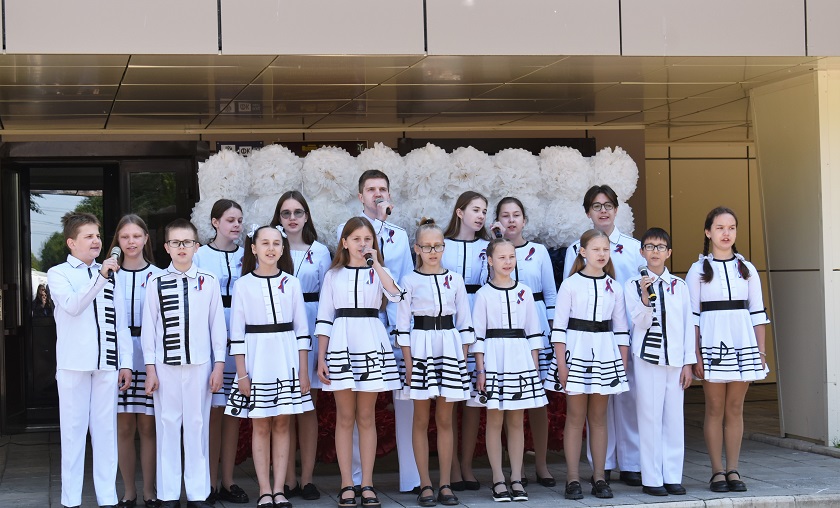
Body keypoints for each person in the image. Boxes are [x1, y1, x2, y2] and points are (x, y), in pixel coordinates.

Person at [337, 170, 419, 494]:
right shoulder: (348, 229)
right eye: (371, 189)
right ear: (361, 196)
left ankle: (411, 478)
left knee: (405, 401)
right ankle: (357, 478)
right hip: (360, 325)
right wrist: (377, 225)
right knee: (359, 406)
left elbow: (405, 283)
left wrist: (405, 328)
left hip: (393, 324)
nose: (377, 194)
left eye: (382, 188)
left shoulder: (399, 234)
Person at [317, 217, 405, 508]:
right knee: (345, 417)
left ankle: (367, 483)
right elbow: (324, 318)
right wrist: (321, 357)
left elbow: (396, 295)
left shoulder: (378, 271)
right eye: (356, 239)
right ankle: (346, 484)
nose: (362, 244)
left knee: (367, 417)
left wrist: (376, 264)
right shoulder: (333, 275)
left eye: (367, 239)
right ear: (344, 242)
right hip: (342, 342)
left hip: (370, 340)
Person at [47, 212, 132, 508]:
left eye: (97, 235)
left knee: (106, 433)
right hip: (73, 365)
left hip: (107, 364)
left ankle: (107, 499)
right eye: (88, 236)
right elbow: (73, 306)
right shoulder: (58, 273)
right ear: (72, 242)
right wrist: (100, 278)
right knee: (73, 435)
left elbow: (121, 322)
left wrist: (125, 362)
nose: (96, 240)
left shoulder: (111, 273)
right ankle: (71, 501)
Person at [225, 224, 314, 508]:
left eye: (276, 243)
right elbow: (236, 334)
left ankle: (279, 489)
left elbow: (302, 332)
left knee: (283, 423)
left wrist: (303, 371)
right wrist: (242, 374)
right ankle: (264, 489)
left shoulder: (292, 283)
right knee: (261, 425)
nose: (271, 248)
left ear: (283, 248)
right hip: (257, 359)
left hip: (286, 358)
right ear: (253, 248)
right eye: (265, 243)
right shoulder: (242, 285)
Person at [562, 185, 645, 486]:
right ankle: (602, 465)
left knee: (628, 401)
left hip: (623, 336)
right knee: (595, 408)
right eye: (596, 206)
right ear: (588, 212)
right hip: (586, 339)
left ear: (617, 209)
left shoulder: (634, 247)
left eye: (608, 205)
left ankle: (631, 462)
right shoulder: (576, 248)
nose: (603, 211)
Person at [141, 218, 227, 508]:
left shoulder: (209, 281)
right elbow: (149, 328)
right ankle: (167, 494)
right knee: (167, 427)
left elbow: (218, 326)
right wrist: (150, 370)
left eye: (187, 242)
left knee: (197, 427)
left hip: (200, 366)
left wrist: (218, 365)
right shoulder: (156, 282)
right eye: (175, 242)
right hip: (164, 367)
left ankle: (197, 493)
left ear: (196, 246)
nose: (181, 247)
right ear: (166, 247)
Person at [687, 207, 769, 493]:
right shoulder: (698, 270)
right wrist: (695, 354)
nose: (726, 233)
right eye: (720, 227)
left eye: (731, 228)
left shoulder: (747, 269)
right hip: (711, 344)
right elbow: (692, 316)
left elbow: (757, 313)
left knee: (735, 408)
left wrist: (760, 352)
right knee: (715, 408)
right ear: (708, 232)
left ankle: (733, 469)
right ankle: (716, 472)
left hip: (742, 344)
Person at [395, 218, 474, 507]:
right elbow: (402, 327)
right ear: (417, 248)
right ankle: (425, 484)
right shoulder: (408, 281)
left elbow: (465, 322)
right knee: (420, 419)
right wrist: (409, 366)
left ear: (444, 247)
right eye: (426, 247)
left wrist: (461, 359)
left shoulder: (455, 279)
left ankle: (445, 484)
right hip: (421, 347)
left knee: (444, 420)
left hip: (449, 347)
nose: (432, 252)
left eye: (438, 246)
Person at [548, 229, 629, 501]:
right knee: (575, 417)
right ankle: (572, 478)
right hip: (576, 352)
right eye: (596, 249)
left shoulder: (615, 287)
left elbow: (621, 330)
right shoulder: (570, 284)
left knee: (599, 419)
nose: (602, 254)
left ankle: (599, 477)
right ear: (583, 252)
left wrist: (621, 366)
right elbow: (559, 329)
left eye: (605, 249)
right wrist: (562, 365)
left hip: (605, 354)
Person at [471, 238, 547, 503]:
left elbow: (534, 333)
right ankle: (497, 479)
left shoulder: (525, 291)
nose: (507, 262)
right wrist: (480, 370)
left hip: (520, 358)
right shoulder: (483, 294)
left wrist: (533, 369)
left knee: (516, 421)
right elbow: (478, 335)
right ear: (490, 261)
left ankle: (516, 477)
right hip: (494, 358)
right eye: (501, 257)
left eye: (511, 257)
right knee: (494, 420)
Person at [624, 228, 695, 496]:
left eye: (661, 247)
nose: (655, 251)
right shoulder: (632, 285)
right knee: (649, 417)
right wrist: (645, 298)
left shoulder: (680, 286)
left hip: (675, 360)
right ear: (642, 252)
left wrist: (688, 363)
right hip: (647, 358)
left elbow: (688, 325)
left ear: (669, 252)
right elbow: (639, 323)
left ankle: (672, 476)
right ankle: (652, 478)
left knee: (674, 419)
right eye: (650, 246)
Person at [270, 191, 331, 501]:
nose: (292, 218)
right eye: (285, 213)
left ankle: (307, 478)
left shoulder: (320, 251)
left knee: (307, 406)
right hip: (278, 328)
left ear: (306, 216)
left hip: (310, 321)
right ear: (278, 218)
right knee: (284, 406)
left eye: (297, 212)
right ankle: (288, 479)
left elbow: (328, 296)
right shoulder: (271, 247)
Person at [492, 197, 556, 487]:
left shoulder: (538, 251)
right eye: (505, 215)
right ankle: (512, 469)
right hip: (504, 332)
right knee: (507, 400)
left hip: (535, 325)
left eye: (516, 215)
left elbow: (551, 294)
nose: (511, 220)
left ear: (525, 220)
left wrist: (553, 332)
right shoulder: (491, 252)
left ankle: (541, 463)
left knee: (537, 399)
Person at [193, 199, 248, 505]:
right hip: (211, 337)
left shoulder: (247, 254)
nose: (236, 225)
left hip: (240, 338)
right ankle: (208, 482)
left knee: (234, 413)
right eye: (230, 220)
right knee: (213, 413)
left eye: (239, 220)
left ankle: (228, 480)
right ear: (215, 222)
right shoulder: (200, 255)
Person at [110, 214, 165, 508]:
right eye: (125, 237)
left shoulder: (159, 275)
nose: (131, 242)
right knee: (123, 428)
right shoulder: (108, 275)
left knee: (148, 427)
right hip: (119, 357)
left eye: (136, 236)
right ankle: (129, 491)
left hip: (149, 357)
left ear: (146, 239)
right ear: (117, 241)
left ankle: (149, 491)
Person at [441, 191, 489, 492]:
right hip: (450, 322)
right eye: (475, 210)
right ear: (459, 212)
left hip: (480, 317)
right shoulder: (442, 244)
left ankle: (467, 464)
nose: (481, 215)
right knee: (451, 397)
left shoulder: (488, 246)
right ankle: (452, 467)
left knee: (472, 398)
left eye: (484, 211)